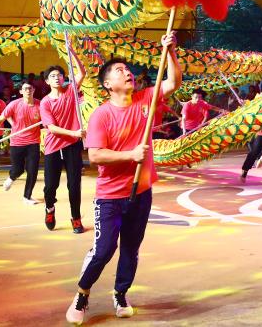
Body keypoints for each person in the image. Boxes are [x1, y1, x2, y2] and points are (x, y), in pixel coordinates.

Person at [65, 32, 181, 323]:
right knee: (104, 250)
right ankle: (82, 293)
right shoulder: (101, 115)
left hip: (141, 192)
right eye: (120, 71)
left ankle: (120, 293)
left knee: (131, 247)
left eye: (128, 70)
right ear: (108, 84)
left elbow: (173, 82)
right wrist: (131, 155)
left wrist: (171, 52)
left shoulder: (145, 100)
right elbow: (95, 155)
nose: (127, 73)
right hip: (110, 197)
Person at [40, 49, 87, 234]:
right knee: (50, 186)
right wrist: (73, 132)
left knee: (74, 184)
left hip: (72, 146)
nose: (57, 78)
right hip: (53, 146)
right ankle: (49, 208)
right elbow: (51, 128)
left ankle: (76, 218)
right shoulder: (45, 102)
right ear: (47, 81)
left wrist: (72, 53)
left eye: (59, 75)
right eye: (52, 76)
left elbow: (82, 72)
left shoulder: (70, 92)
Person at [0, 82, 41, 205]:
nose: (28, 90)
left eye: (30, 88)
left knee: (32, 170)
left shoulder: (40, 105)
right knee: (18, 170)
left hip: (33, 142)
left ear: (34, 90)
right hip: (17, 142)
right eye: (25, 88)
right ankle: (11, 177)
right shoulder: (14, 104)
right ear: (21, 92)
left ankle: (27, 197)